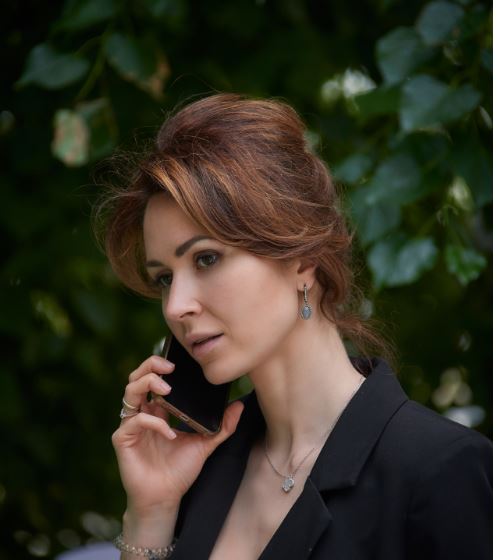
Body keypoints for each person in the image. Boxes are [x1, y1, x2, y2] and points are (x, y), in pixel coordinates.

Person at [95, 94, 492, 559]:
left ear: (302, 259)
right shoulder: (195, 470)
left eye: (206, 259)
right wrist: (150, 514)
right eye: (164, 278)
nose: (177, 306)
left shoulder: (439, 469)